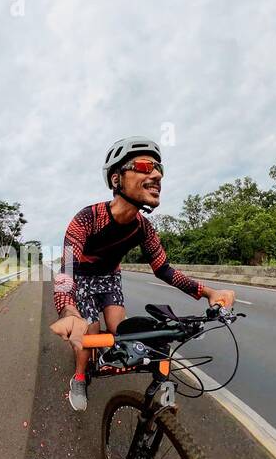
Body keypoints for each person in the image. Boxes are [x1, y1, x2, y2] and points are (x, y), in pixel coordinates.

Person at [50, 136, 235, 411]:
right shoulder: (86, 218)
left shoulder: (144, 228)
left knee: (120, 332)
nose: (157, 174)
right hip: (83, 279)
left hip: (110, 277)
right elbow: (66, 271)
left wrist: (209, 292)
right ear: (116, 179)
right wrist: (68, 312)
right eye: (145, 166)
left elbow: (164, 269)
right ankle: (79, 377)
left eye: (160, 169)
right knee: (89, 334)